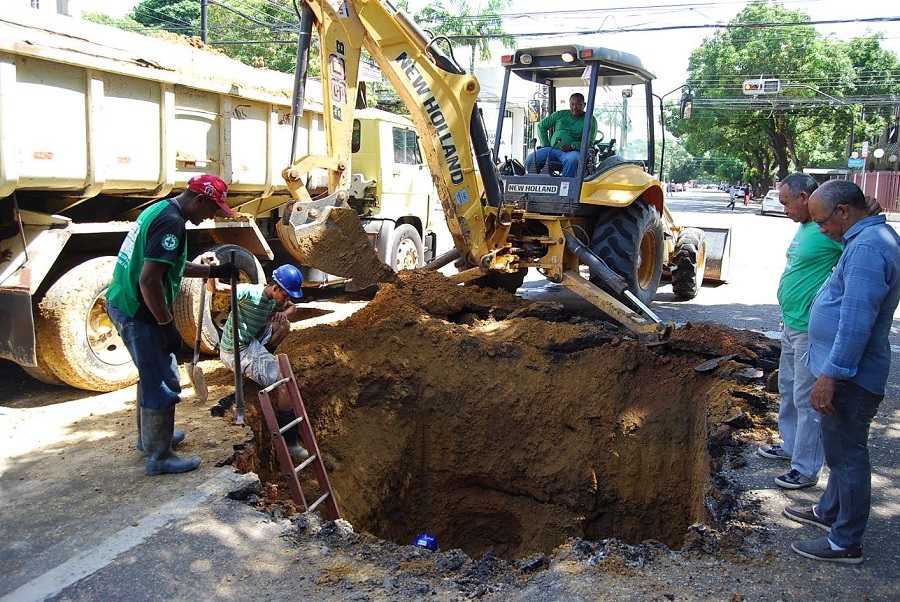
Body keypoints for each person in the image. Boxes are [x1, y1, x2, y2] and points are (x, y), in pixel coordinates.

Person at [783, 179, 900, 564]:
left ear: (844, 212)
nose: (821, 230)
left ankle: (845, 541)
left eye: (822, 221)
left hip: (851, 376)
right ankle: (828, 511)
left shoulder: (868, 249)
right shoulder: (867, 238)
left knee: (848, 456)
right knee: (838, 452)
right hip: (844, 370)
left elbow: (855, 325)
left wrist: (829, 377)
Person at [106, 174, 240, 476]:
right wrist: (167, 324)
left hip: (123, 302)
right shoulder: (172, 224)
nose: (212, 216)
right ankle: (159, 456)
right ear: (199, 200)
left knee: (151, 373)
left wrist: (213, 272)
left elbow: (171, 267)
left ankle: (151, 439)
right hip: (139, 313)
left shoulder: (161, 209)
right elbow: (149, 279)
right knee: (163, 379)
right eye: (212, 209)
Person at [757, 174, 842, 491]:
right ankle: (791, 446)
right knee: (789, 388)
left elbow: (858, 248)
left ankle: (805, 468)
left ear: (804, 197)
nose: (784, 209)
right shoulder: (808, 228)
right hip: (790, 324)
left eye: (785, 202)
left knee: (808, 400)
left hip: (810, 330)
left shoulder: (829, 232)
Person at [208, 262, 308, 459]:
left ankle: (262, 362)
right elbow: (216, 288)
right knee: (283, 384)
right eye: (285, 294)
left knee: (283, 325)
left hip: (251, 341)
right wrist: (211, 269)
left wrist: (283, 313)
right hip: (236, 350)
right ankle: (290, 443)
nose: (286, 299)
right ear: (275, 287)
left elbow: (292, 308)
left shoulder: (277, 300)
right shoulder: (249, 292)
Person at [524, 93, 598, 177]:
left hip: (572, 152)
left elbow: (590, 142)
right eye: (572, 104)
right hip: (552, 149)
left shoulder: (590, 120)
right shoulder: (560, 115)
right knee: (530, 158)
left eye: (578, 105)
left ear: (584, 105)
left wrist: (573, 146)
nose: (574, 107)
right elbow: (541, 126)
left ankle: (566, 186)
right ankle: (535, 184)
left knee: (572, 160)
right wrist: (546, 144)